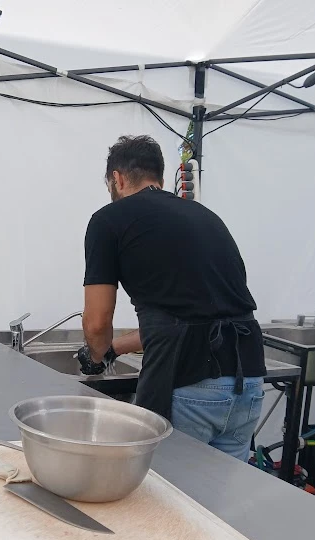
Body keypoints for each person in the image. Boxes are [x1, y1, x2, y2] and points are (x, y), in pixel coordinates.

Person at [77, 135, 266, 461]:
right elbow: (184, 319)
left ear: (117, 179)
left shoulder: (108, 220)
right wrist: (114, 349)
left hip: (188, 384)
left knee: (166, 488)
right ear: (161, 180)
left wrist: (95, 358)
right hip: (247, 382)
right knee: (219, 491)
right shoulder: (206, 217)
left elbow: (96, 323)